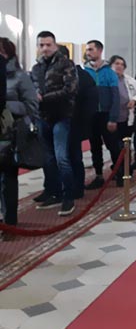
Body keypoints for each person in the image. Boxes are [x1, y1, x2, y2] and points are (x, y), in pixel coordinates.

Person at [31, 31, 78, 216]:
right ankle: (54, 193)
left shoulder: (66, 64)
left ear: (55, 45)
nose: (45, 48)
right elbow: (33, 88)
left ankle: (68, 197)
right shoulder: (36, 68)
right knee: (48, 159)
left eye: (48, 45)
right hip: (42, 116)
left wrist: (44, 98)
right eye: (41, 45)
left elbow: (70, 89)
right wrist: (34, 97)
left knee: (61, 158)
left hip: (62, 115)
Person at [0, 38, 37, 226]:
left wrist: (5, 106)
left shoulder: (20, 77)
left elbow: (31, 106)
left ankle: (10, 222)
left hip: (10, 133)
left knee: (7, 180)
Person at [57, 44, 97, 202]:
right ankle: (58, 188)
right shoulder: (51, 75)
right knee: (57, 157)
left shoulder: (82, 76)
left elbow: (91, 101)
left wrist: (83, 122)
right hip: (56, 122)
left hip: (75, 122)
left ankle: (76, 188)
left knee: (73, 156)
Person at [83, 40, 121, 189]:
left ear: (99, 51)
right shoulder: (85, 72)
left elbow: (115, 97)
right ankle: (98, 175)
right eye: (87, 50)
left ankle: (119, 172)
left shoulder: (109, 72)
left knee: (113, 145)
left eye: (91, 49)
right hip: (91, 115)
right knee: (95, 146)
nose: (88, 52)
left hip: (106, 114)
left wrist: (113, 118)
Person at [109, 54, 136, 145]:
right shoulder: (105, 80)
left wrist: (134, 101)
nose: (120, 66)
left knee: (126, 144)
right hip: (110, 119)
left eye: (122, 64)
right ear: (111, 65)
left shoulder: (131, 80)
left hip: (126, 119)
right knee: (114, 145)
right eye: (117, 63)